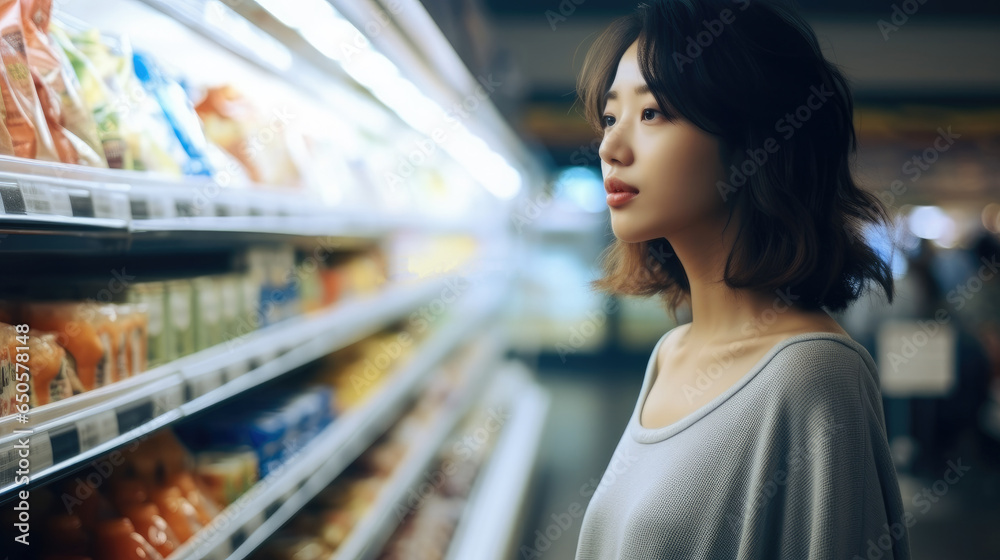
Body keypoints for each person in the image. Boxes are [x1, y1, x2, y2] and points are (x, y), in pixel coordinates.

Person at [573, 1, 911, 558]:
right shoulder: (670, 354)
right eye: (611, 118)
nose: (609, 148)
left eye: (652, 113)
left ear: (754, 142)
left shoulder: (812, 375)